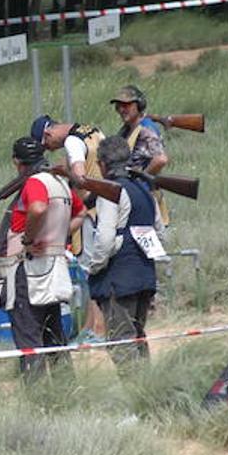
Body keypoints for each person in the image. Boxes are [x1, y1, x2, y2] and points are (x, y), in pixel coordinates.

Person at [0, 137, 84, 382]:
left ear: (17, 162)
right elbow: (81, 212)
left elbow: (39, 208)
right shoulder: (59, 182)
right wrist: (59, 236)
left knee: (29, 338)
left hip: (25, 268)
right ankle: (67, 389)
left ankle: (38, 397)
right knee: (54, 336)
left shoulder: (35, 182)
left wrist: (29, 239)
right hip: (49, 269)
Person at [80, 135, 159, 365]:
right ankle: (148, 391)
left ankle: (138, 398)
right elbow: (159, 232)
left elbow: (104, 240)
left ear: (102, 165)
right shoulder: (144, 188)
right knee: (137, 338)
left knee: (121, 345)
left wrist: (94, 268)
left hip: (119, 279)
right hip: (145, 274)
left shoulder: (111, 191)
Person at [30, 114, 108, 338]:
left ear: (48, 133)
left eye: (46, 144)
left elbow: (81, 176)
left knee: (90, 271)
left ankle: (97, 330)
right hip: (103, 208)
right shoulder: (92, 129)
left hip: (90, 211)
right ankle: (90, 327)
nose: (50, 149)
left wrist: (67, 175)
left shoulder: (72, 142)